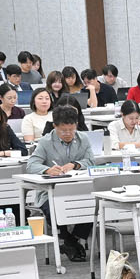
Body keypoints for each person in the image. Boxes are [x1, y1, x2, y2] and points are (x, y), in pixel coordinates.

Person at [29, 103, 97, 262]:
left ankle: (71, 241)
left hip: (77, 189)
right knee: (52, 209)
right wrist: (47, 170)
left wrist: (75, 164)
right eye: (63, 130)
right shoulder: (46, 142)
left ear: (76, 125)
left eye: (71, 130)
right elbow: (31, 165)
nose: (68, 134)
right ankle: (69, 240)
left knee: (93, 205)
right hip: (50, 192)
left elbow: (91, 161)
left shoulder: (83, 138)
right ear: (55, 126)